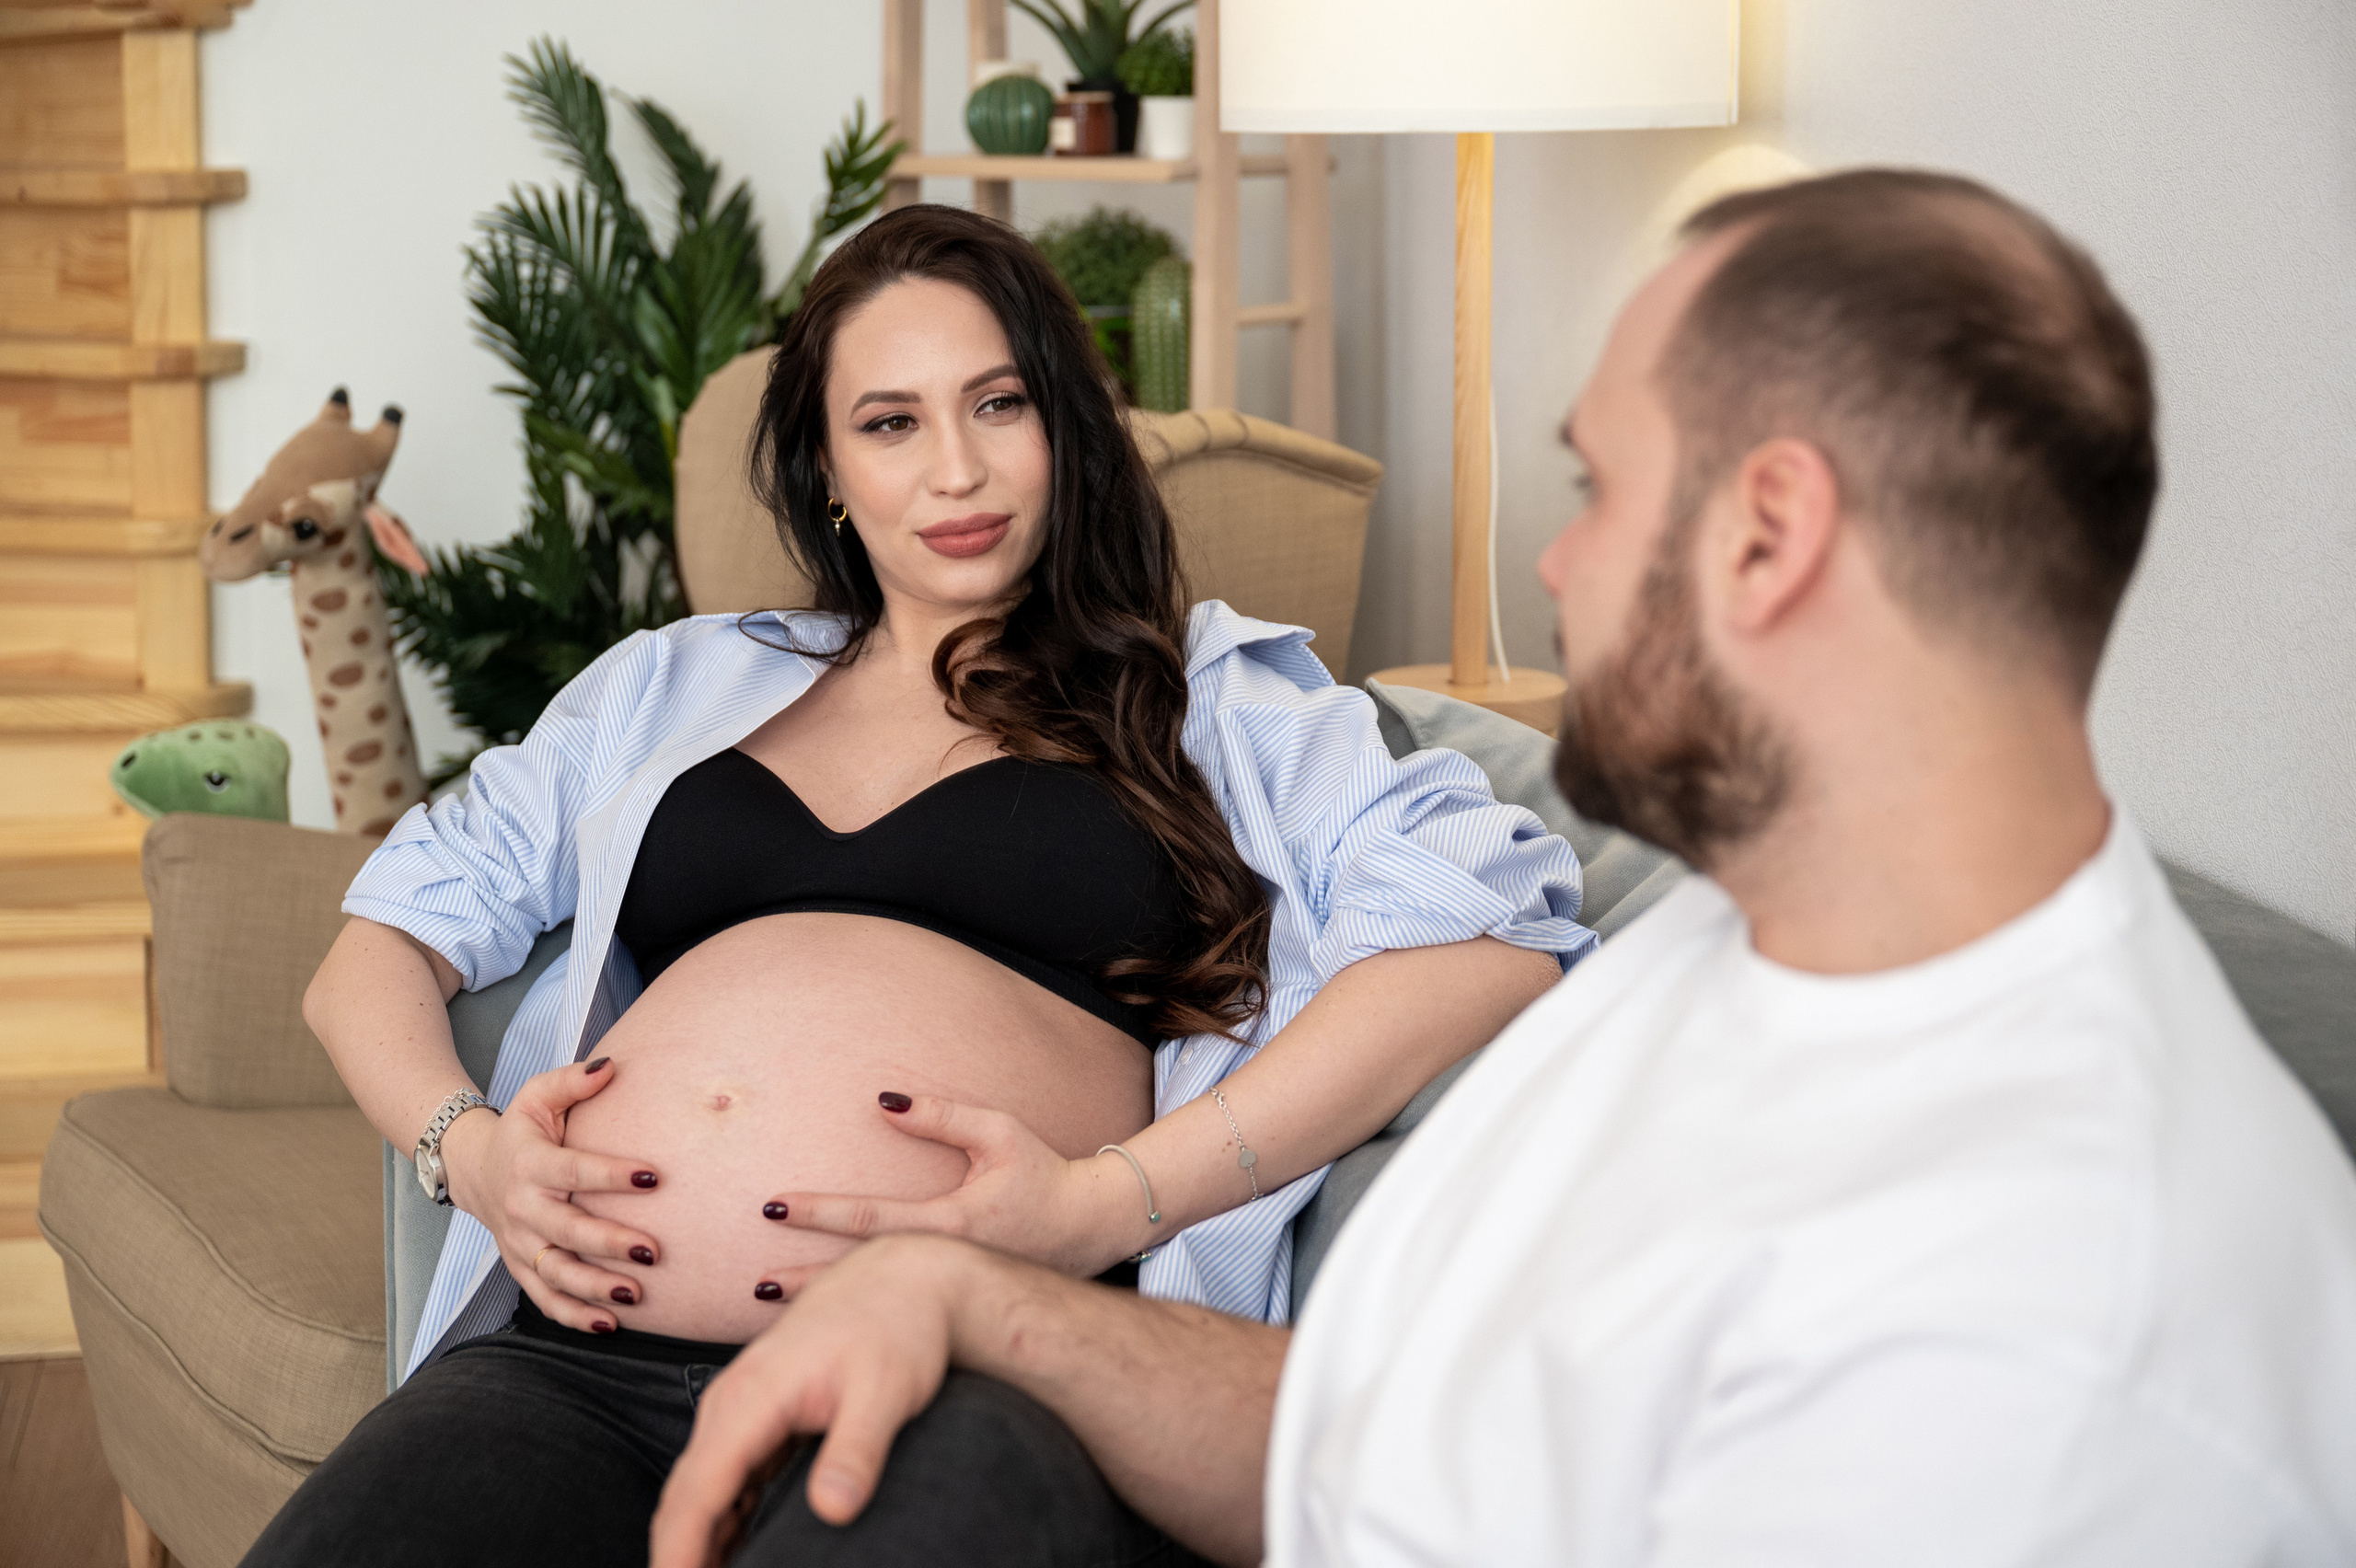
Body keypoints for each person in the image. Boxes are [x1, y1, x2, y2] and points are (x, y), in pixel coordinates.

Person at [649, 169, 2356, 1568]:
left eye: (1597, 489)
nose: (1554, 564)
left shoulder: (2071, 1313)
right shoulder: (1717, 968)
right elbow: (1389, 1459)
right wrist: (983, 1301)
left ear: (1769, 536)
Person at [240, 205, 1588, 1566]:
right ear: (826, 468)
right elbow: (378, 949)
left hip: (979, 1376)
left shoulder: (1212, 699)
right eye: (890, 423)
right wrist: (469, 1152)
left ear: (1065, 428)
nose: (957, 469)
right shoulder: (669, 686)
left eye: (999, 404)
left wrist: (1107, 1203)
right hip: (577, 1362)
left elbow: (1486, 934)